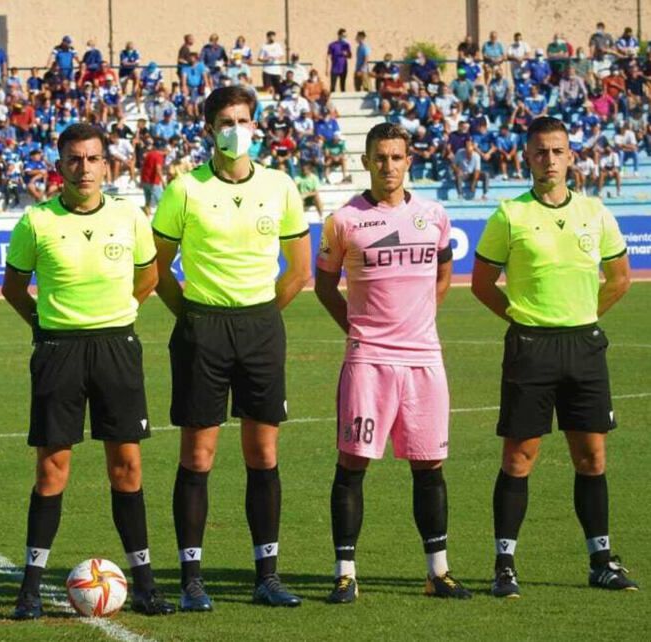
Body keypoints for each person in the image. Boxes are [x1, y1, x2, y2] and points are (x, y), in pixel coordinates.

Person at [2, 123, 175, 620]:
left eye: (93, 158)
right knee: (52, 469)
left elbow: (149, 276)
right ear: (60, 166)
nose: (84, 168)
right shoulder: (36, 221)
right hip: (58, 352)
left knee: (128, 467)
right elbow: (14, 288)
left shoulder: (129, 217)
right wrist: (46, 326)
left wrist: (118, 313)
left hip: (116, 347)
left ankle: (144, 585)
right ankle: (30, 589)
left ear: (106, 165)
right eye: (74, 159)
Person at [153, 86, 311, 611]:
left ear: (255, 126)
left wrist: (262, 315)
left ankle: (267, 575)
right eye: (225, 120)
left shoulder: (281, 186)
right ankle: (191, 578)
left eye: (243, 119)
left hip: (260, 328)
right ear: (207, 128)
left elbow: (300, 269)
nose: (234, 128)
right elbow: (157, 269)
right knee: (198, 455)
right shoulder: (184, 190)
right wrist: (195, 318)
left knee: (262, 453)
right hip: (203, 329)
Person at [471, 116, 637, 599]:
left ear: (570, 156)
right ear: (527, 157)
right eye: (540, 152)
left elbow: (620, 278)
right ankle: (505, 564)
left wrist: (581, 316)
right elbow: (482, 284)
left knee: (592, 457)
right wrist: (526, 320)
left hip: (584, 346)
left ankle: (601, 561)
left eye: (557, 151)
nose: (549, 160)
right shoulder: (509, 215)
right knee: (520, 458)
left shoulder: (595, 212)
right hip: (531, 348)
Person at [315, 123, 471, 605]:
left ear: (409, 161)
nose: (388, 166)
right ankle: (345, 573)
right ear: (366, 161)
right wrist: (362, 331)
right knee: (353, 462)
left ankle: (437, 572)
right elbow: (324, 286)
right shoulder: (344, 220)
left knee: (430, 464)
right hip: (369, 361)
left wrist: (418, 321)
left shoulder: (434, 215)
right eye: (380, 157)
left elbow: (443, 273)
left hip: (424, 360)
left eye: (397, 157)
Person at [326, 28, 352, 93]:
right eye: (343, 36)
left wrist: (347, 54)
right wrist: (327, 69)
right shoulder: (332, 45)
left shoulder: (346, 45)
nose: (344, 37)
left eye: (345, 36)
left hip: (343, 68)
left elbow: (350, 56)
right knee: (332, 87)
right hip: (334, 68)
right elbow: (328, 57)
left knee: (343, 86)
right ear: (339, 35)